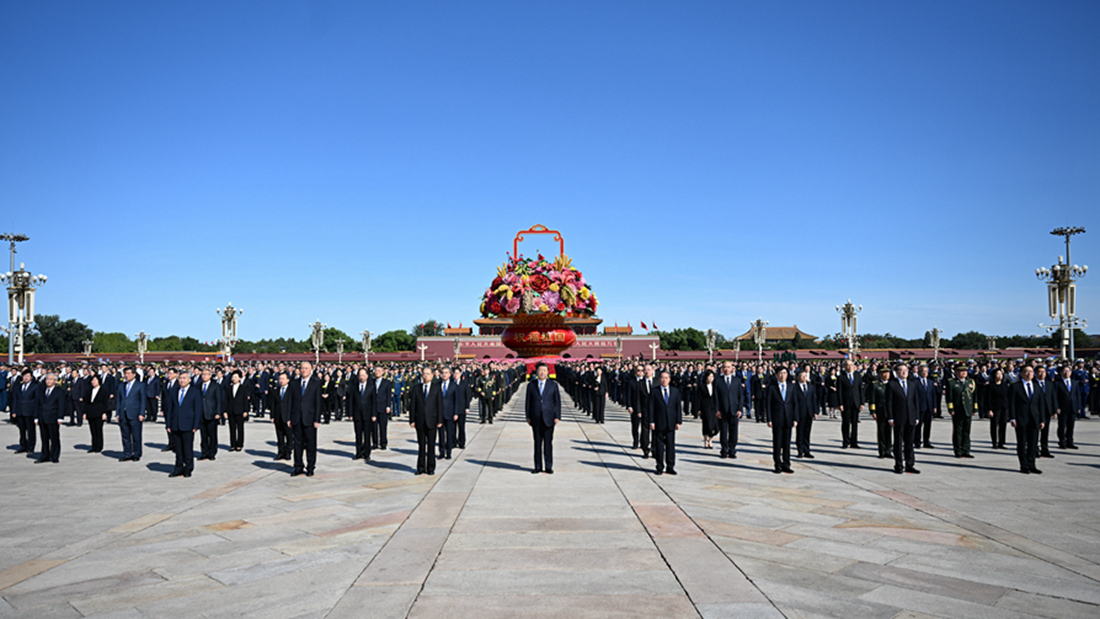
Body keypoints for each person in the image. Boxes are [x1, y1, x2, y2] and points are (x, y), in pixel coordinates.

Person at [1008, 365, 1045, 474]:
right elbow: (1012, 404)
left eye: (1031, 372)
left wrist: (1042, 419)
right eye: (1026, 372)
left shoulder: (1036, 386)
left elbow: (1041, 404)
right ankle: (1023, 465)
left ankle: (1032, 465)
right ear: (1021, 373)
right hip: (1021, 419)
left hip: (1034, 419)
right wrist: (1012, 418)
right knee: (1022, 443)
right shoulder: (1015, 387)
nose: (1029, 374)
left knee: (1033, 444)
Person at [526, 362, 561, 474]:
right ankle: (537, 466)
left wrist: (557, 416)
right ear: (536, 372)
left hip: (549, 418)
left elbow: (557, 402)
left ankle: (548, 466)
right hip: (535, 418)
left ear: (547, 372)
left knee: (548, 443)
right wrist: (528, 416)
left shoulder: (553, 385)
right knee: (537, 443)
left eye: (544, 370)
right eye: (540, 370)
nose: (542, 372)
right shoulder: (531, 385)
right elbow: (528, 402)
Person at [166, 370, 202, 477]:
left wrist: (196, 425)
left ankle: (188, 469)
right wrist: (168, 424)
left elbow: (198, 409)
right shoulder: (174, 391)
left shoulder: (195, 392)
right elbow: (170, 409)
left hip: (188, 424)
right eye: (180, 378)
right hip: (175, 424)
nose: (182, 380)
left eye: (184, 378)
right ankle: (178, 468)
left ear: (189, 380)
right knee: (178, 449)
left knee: (187, 448)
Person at [885, 363, 920, 474]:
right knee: (898, 443)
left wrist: (917, 417)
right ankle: (899, 465)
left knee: (909, 443)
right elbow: (889, 403)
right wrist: (890, 417)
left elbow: (916, 402)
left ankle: (910, 464)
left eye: (906, 370)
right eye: (901, 370)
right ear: (897, 372)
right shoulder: (892, 385)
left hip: (911, 417)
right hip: (898, 418)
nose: (904, 372)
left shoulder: (912, 384)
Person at [409, 366, 443, 475]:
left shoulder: (436, 388)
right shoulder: (416, 388)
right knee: (421, 445)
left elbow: (440, 405)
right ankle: (420, 467)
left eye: (428, 374)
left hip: (432, 421)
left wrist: (439, 420)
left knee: (431, 446)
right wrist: (412, 420)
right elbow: (412, 405)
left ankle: (431, 468)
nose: (426, 376)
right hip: (420, 421)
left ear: (432, 375)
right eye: (424, 373)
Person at [291, 361, 322, 476]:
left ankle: (310, 467)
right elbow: (291, 401)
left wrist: (317, 419)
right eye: (302, 368)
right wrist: (289, 417)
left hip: (310, 417)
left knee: (310, 444)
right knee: (297, 444)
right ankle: (298, 466)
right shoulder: (294, 383)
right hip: (297, 417)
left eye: (306, 368)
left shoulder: (316, 383)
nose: (304, 370)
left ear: (311, 370)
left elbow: (318, 402)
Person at [648, 370, 681, 475]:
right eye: (662, 378)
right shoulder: (654, 391)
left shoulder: (675, 391)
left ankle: (670, 466)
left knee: (671, 446)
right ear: (659, 379)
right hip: (659, 422)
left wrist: (678, 421)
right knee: (659, 446)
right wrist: (651, 421)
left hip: (671, 422)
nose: (664, 380)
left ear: (670, 379)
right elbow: (651, 407)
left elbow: (678, 407)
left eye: (666, 378)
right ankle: (659, 466)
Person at [766, 367, 796, 474]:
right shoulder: (772, 387)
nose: (783, 375)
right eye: (780, 373)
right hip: (777, 418)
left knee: (787, 443)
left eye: (785, 373)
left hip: (788, 418)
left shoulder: (792, 387)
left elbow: (794, 403)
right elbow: (768, 404)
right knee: (777, 443)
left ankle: (786, 464)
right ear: (776, 375)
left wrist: (795, 418)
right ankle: (777, 464)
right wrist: (769, 419)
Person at [714, 360, 744, 459]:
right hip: (723, 410)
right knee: (723, 431)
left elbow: (740, 396)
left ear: (732, 368)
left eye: (729, 367)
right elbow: (716, 396)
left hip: (734, 409)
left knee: (734, 431)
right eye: (725, 367)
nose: (727, 369)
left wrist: (740, 409)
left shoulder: (737, 380)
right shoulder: (718, 380)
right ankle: (724, 449)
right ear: (722, 369)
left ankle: (732, 450)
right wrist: (717, 409)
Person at [116, 367, 146, 462]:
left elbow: (143, 400)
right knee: (125, 435)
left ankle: (137, 453)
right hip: (123, 414)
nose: (127, 375)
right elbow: (119, 401)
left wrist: (142, 413)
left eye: (129, 373)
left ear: (134, 374)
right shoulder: (121, 386)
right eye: (125, 373)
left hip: (135, 414)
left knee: (136, 435)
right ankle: (127, 453)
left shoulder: (140, 385)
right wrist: (117, 413)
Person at [946, 364, 977, 458]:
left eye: (965, 371)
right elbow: (949, 397)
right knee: (958, 431)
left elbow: (974, 396)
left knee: (966, 431)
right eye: (961, 371)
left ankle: (966, 450)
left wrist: (975, 407)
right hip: (958, 410)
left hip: (968, 409)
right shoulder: (951, 383)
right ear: (956, 372)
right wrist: (951, 409)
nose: (964, 372)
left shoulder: (970, 382)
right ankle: (958, 450)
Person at [35, 373, 64, 463]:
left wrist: (60, 417)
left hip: (53, 417)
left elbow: (61, 405)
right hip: (42, 417)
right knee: (44, 438)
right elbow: (37, 405)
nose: (49, 381)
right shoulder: (41, 390)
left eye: (51, 379)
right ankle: (44, 456)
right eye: (47, 379)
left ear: (55, 381)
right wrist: (36, 417)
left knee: (54, 438)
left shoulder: (59, 391)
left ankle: (54, 456)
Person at [198, 369, 225, 461]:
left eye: (206, 374)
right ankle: (204, 452)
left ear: (210, 376)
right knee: (203, 435)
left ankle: (212, 452)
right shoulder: (198, 386)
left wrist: (218, 412)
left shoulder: (215, 386)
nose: (204, 376)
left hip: (212, 413)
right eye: (203, 374)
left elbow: (219, 400)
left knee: (212, 435)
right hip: (201, 414)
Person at [349, 368, 375, 461]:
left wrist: (374, 414)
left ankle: (367, 453)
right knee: (358, 435)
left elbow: (374, 402)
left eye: (363, 375)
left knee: (367, 435)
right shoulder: (353, 387)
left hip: (368, 415)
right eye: (360, 375)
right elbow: (351, 401)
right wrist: (350, 414)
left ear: (367, 376)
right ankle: (359, 452)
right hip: (357, 415)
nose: (362, 377)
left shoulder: (371, 386)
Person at [12, 369, 39, 454]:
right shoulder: (18, 386)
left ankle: (30, 447)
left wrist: (36, 412)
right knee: (22, 430)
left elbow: (37, 400)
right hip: (20, 411)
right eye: (24, 376)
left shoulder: (35, 386)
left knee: (31, 430)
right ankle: (23, 445)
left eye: (28, 376)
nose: (26, 378)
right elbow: (15, 400)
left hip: (30, 412)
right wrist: (14, 411)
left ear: (31, 377)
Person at [869, 366, 893, 459]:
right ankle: (882, 451)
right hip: (880, 410)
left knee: (889, 431)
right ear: (879, 374)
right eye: (883, 373)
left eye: (887, 372)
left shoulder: (892, 384)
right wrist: (873, 411)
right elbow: (872, 399)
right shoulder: (875, 384)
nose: (886, 374)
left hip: (890, 411)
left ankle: (889, 451)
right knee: (882, 431)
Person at [838, 359, 863, 448]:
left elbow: (860, 390)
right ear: (844, 366)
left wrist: (862, 402)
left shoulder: (857, 376)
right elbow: (839, 392)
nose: (850, 367)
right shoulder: (841, 377)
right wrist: (840, 403)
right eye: (848, 365)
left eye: (851, 365)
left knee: (855, 423)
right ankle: (845, 441)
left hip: (856, 402)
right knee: (845, 423)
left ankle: (854, 442)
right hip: (846, 403)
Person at [82, 373, 110, 453]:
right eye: (92, 380)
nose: (93, 382)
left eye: (95, 380)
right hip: (90, 412)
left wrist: (105, 412)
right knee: (92, 430)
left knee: (98, 430)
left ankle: (99, 446)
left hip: (99, 412)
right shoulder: (89, 391)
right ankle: (93, 446)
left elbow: (105, 403)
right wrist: (85, 412)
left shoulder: (103, 391)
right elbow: (86, 402)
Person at [984, 368, 1010, 449]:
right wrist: (989, 409)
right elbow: (988, 398)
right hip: (995, 408)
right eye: (998, 374)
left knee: (1003, 425)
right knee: (994, 425)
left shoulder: (1005, 385)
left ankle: (1001, 443)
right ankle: (994, 443)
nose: (1000, 375)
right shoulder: (990, 386)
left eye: (1001, 374)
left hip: (1004, 407)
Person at [793, 368, 816, 459]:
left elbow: (813, 400)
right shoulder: (794, 388)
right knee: (800, 433)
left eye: (805, 376)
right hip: (799, 413)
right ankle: (800, 451)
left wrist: (815, 411)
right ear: (798, 377)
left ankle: (807, 451)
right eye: (802, 376)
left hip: (809, 412)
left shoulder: (810, 387)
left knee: (807, 433)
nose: (804, 377)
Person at [271, 372, 294, 460]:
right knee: (279, 436)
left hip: (288, 417)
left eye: (283, 379)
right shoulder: (275, 391)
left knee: (289, 436)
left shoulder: (291, 391)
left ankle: (288, 452)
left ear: (288, 380)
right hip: (278, 416)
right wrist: (272, 416)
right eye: (280, 379)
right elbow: (273, 405)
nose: (281, 381)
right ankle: (280, 452)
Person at [1055, 366, 1078, 450]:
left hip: (1073, 407)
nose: (1067, 372)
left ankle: (1070, 441)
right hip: (1062, 408)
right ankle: (1062, 441)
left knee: (1071, 426)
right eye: (1064, 371)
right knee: (1062, 425)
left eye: (1068, 371)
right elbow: (1055, 396)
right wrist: (1057, 407)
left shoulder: (1074, 382)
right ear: (1060, 372)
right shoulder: (1057, 383)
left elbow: (1077, 395)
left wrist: (1078, 406)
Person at [225, 370, 249, 452]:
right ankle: (233, 445)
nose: (234, 378)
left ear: (239, 378)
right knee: (232, 429)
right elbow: (226, 400)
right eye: (233, 377)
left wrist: (246, 410)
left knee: (240, 428)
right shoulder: (229, 388)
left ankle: (239, 444)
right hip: (231, 410)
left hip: (240, 410)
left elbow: (245, 400)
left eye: (236, 377)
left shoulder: (243, 388)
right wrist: (225, 411)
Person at [371, 366, 393, 450]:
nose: (377, 372)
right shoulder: (371, 382)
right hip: (373, 407)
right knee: (374, 427)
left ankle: (383, 442)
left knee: (383, 426)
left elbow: (388, 395)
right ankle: (375, 443)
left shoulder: (386, 382)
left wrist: (388, 406)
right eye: (376, 370)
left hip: (383, 406)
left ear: (383, 372)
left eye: (379, 371)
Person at [915, 365, 936, 449]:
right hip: (919, 407)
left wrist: (935, 406)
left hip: (929, 407)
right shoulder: (914, 382)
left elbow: (933, 395)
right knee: (918, 426)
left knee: (928, 425)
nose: (924, 373)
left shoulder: (930, 382)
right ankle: (917, 441)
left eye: (926, 371)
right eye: (923, 371)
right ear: (919, 371)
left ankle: (926, 441)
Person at [438, 367, 457, 460]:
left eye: (446, 373)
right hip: (440, 414)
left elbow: (457, 400)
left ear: (450, 374)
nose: (444, 374)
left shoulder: (454, 385)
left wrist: (456, 413)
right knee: (441, 434)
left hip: (450, 413)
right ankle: (441, 452)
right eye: (443, 373)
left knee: (449, 434)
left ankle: (448, 452)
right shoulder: (437, 385)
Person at [451, 368, 472, 448]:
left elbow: (467, 396)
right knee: (452, 427)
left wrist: (467, 407)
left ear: (460, 374)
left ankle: (461, 442)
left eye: (457, 373)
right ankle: (453, 442)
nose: (456, 374)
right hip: (452, 409)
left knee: (461, 427)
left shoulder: (464, 384)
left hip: (461, 408)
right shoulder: (451, 383)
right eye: (454, 373)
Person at [697, 370, 718, 449]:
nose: (710, 378)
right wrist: (699, 409)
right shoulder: (702, 386)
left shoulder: (715, 386)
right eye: (709, 377)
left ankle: (711, 440)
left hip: (713, 408)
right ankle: (706, 441)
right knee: (706, 425)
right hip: (705, 407)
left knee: (713, 425)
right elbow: (699, 398)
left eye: (712, 377)